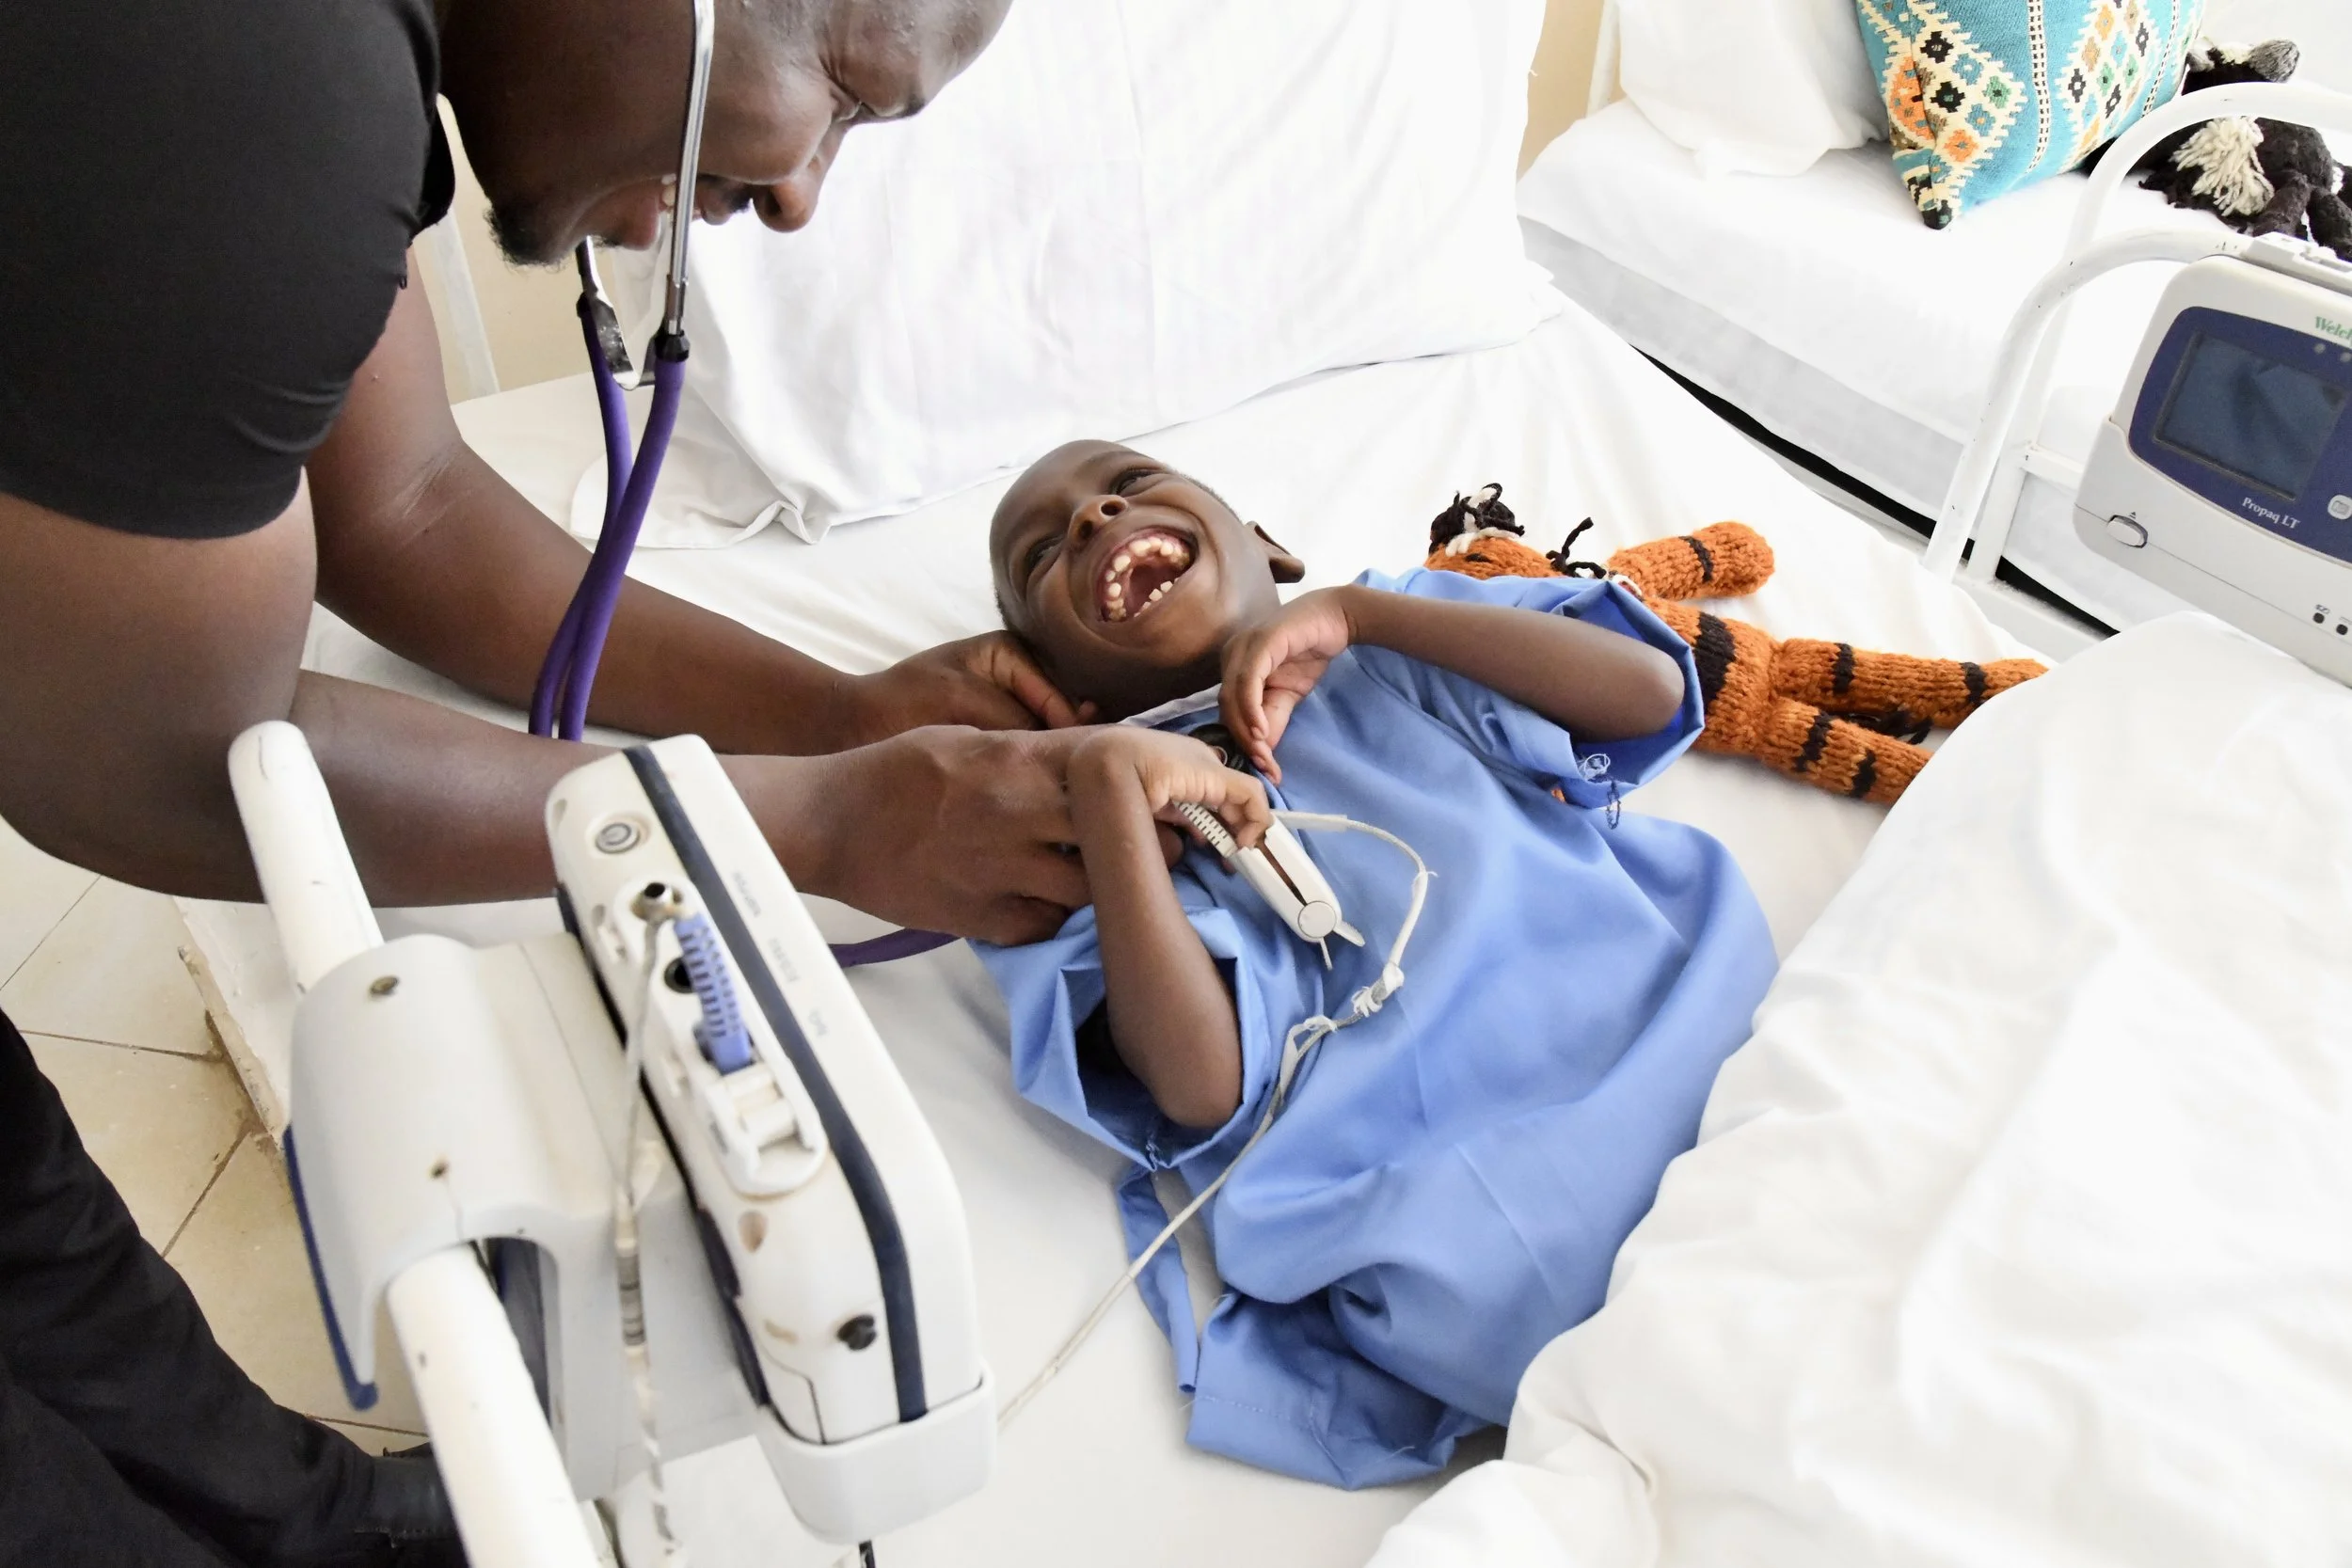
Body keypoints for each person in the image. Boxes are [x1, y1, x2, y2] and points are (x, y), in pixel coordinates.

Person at [0, 1, 1120, 1562]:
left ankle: (303, 1520)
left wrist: (834, 720)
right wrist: (796, 825)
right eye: (849, 94)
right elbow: (151, 762)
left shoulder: (335, 85)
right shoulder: (257, 79)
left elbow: (405, 505)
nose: (805, 192)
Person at [975, 441, 1781, 1487]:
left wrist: (1367, 614)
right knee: (1692, 1400)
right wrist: (1106, 791)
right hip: (1478, 1220)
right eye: (1043, 554)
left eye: (1124, 486)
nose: (1091, 520)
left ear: (1268, 547)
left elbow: (1647, 691)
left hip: (1689, 1045)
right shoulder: (1111, 838)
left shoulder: (1394, 639)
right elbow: (1199, 1082)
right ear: (1061, 693)